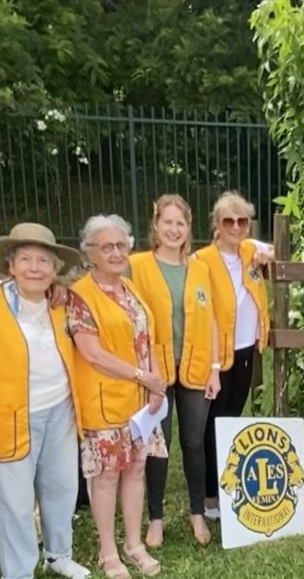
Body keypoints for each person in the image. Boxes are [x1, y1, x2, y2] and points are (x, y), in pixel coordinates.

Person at [0, 223, 91, 579]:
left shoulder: (62, 302)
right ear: (10, 266)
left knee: (62, 487)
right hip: (8, 415)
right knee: (13, 503)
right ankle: (18, 571)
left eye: (43, 260)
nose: (34, 268)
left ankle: (58, 555)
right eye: (25, 259)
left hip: (60, 408)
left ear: (55, 268)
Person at [69, 215, 169, 578]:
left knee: (136, 469)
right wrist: (143, 376)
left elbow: (149, 338)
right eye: (106, 246)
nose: (116, 252)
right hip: (104, 401)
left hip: (140, 403)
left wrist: (156, 383)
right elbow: (92, 352)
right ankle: (108, 551)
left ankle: (134, 543)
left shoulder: (131, 289)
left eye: (121, 245)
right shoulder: (80, 294)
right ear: (90, 252)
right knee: (107, 476)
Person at [129, 195, 220, 547]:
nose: (173, 229)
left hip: (195, 368)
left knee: (194, 442)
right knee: (158, 444)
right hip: (155, 372)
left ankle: (197, 512)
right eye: (167, 222)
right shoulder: (137, 265)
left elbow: (210, 318)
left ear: (188, 229)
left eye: (179, 223)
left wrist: (214, 368)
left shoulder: (200, 269)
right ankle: (156, 518)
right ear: (155, 225)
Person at [193, 191, 272, 519]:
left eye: (243, 221)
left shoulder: (249, 252)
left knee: (231, 420)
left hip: (244, 351)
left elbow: (272, 250)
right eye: (229, 221)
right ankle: (210, 497)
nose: (236, 227)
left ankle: (226, 484)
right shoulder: (201, 261)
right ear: (216, 224)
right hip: (216, 354)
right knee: (212, 423)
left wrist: (266, 253)